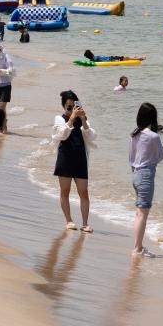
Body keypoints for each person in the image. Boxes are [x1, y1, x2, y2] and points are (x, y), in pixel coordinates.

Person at [51, 90, 98, 233]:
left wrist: (83, 120)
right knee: (64, 191)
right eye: (68, 107)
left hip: (80, 159)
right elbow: (62, 135)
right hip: (65, 157)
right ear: (64, 107)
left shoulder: (84, 120)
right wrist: (71, 119)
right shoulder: (59, 119)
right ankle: (69, 220)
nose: (72, 110)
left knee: (84, 192)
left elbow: (91, 137)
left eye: (74, 107)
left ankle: (85, 223)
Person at [129, 102, 163, 257]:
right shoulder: (153, 136)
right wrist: (151, 161)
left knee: (139, 213)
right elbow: (161, 155)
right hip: (146, 175)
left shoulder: (134, 135)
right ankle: (137, 248)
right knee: (142, 214)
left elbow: (131, 158)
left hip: (135, 174)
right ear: (153, 118)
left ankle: (138, 247)